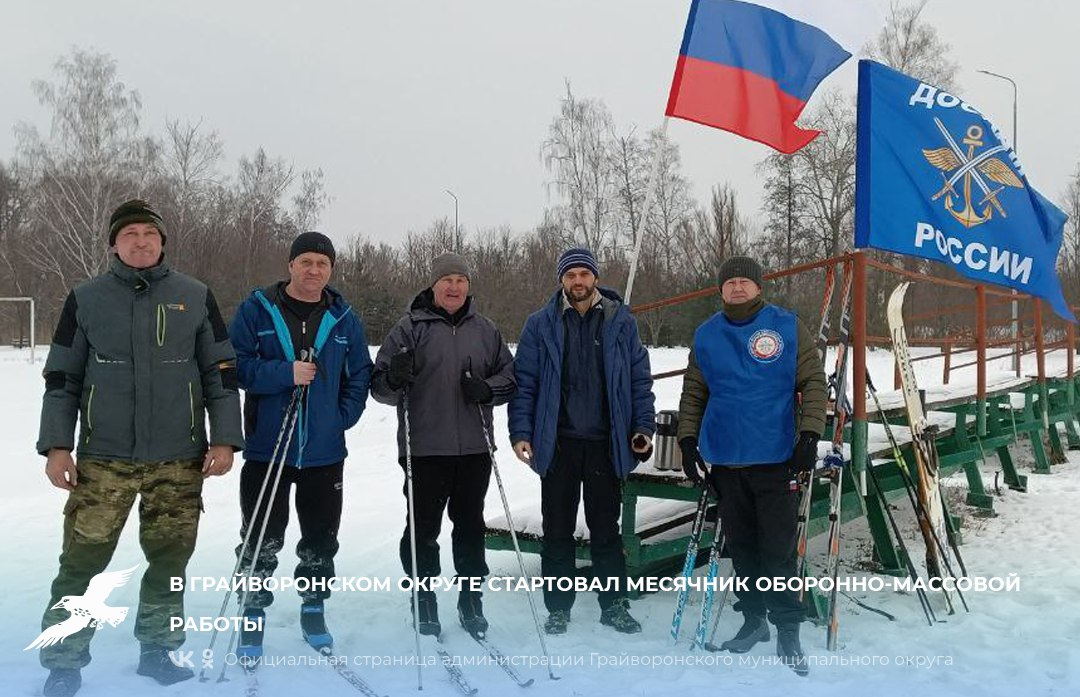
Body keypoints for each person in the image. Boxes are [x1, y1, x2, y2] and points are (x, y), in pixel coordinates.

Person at [34, 199, 243, 697]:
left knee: (170, 561)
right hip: (104, 459)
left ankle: (158, 650)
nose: (141, 242)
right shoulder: (85, 298)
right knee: (81, 562)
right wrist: (57, 446)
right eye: (130, 234)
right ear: (114, 243)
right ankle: (63, 661)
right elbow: (62, 376)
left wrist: (225, 438)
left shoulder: (195, 295)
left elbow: (221, 373)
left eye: (150, 234)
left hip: (179, 458)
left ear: (163, 242)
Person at [677, 255, 826, 677]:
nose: (737, 287)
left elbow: (813, 381)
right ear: (720, 289)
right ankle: (754, 619)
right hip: (725, 458)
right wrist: (688, 442)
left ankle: (788, 627)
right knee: (740, 548)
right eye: (730, 282)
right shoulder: (707, 335)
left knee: (778, 550)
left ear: (759, 287)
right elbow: (694, 393)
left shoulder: (786, 326)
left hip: (775, 457)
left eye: (745, 281)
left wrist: (810, 434)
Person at [228, 231, 372, 659]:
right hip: (268, 447)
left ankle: (313, 606)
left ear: (331, 270)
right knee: (260, 537)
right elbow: (235, 366)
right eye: (306, 261)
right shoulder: (257, 310)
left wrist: (341, 417)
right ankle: (252, 611)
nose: (314, 270)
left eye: (322, 263)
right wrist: (285, 373)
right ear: (291, 265)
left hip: (323, 452)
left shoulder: (344, 318)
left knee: (321, 537)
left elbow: (359, 373)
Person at [508, 247, 655, 636]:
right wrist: (521, 432)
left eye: (584, 274)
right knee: (557, 529)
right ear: (561, 280)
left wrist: (643, 427)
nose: (577, 281)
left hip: (606, 445)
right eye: (570, 274)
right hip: (558, 444)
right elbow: (526, 384)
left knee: (606, 528)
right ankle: (558, 607)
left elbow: (639, 380)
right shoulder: (540, 324)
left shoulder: (621, 321)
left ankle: (615, 604)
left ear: (594, 278)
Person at [370, 252, 515, 639]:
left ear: (469, 286)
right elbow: (379, 386)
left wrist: (488, 389)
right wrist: (394, 378)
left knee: (470, 526)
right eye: (447, 280)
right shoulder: (409, 328)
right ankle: (424, 596)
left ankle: (471, 600)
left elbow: (510, 377)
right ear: (433, 286)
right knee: (422, 528)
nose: (454, 287)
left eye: (461, 280)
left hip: (474, 448)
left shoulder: (486, 330)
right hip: (424, 448)